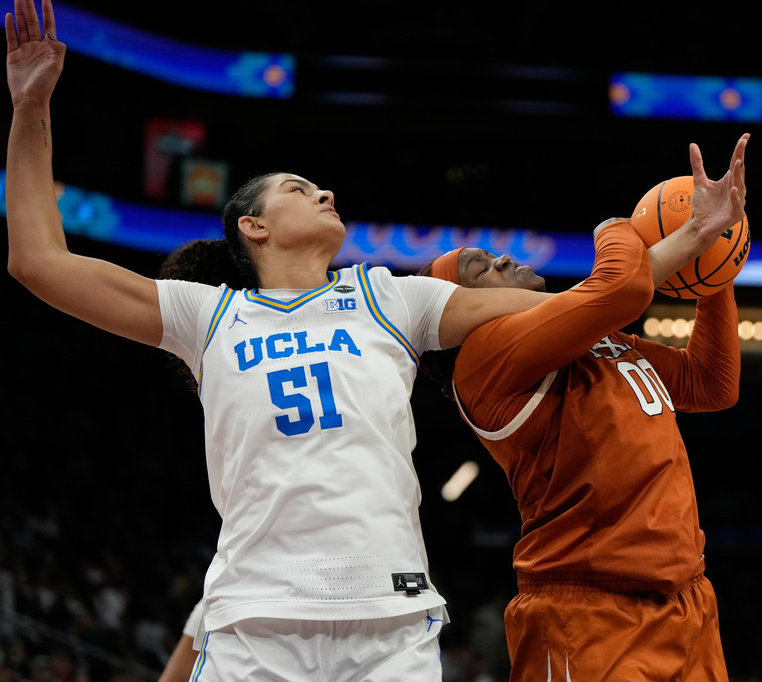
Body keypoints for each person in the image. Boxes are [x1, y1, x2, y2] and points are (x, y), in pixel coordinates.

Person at [4, 2, 554, 679]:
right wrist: (31, 107)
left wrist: (678, 252)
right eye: (299, 189)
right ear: (253, 228)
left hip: (391, 622)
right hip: (253, 626)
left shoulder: (389, 296)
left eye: (321, 186)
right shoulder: (206, 315)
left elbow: (558, 311)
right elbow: (38, 261)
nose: (325, 192)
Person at [419, 133, 748, 680]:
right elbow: (619, 287)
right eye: (482, 269)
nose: (503, 257)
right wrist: (614, 230)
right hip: (587, 610)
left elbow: (711, 384)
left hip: (686, 596)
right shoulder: (481, 358)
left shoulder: (598, 341)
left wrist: (714, 267)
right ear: (465, 311)